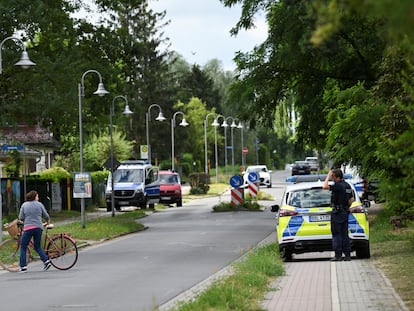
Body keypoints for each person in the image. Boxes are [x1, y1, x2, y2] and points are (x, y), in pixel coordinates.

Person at [323, 169, 354, 261]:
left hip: (337, 213)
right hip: (345, 212)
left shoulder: (338, 185)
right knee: (345, 234)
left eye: (333, 177)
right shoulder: (347, 185)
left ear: (337, 176)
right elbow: (351, 199)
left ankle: (338, 255)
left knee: (337, 234)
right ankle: (347, 255)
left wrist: (328, 176)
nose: (332, 179)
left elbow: (324, 186)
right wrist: (346, 206)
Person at [18, 190, 52, 273]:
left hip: (28, 228)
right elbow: (46, 215)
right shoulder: (39, 205)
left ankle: (23, 266)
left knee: (23, 246)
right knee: (37, 246)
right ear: (34, 197)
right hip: (38, 228)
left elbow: (21, 217)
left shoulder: (24, 205)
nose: (38, 198)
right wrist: (47, 222)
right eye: (37, 196)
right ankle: (46, 261)